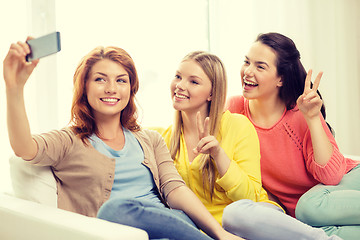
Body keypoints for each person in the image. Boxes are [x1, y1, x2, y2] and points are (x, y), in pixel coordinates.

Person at [3, 38, 243, 240]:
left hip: (171, 227)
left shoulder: (150, 139)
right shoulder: (69, 140)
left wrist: (219, 233)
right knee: (115, 209)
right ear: (84, 87)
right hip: (117, 228)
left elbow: (175, 190)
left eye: (121, 80)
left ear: (131, 88)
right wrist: (14, 88)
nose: (111, 88)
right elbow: (24, 148)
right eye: (100, 79)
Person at [158, 51, 342, 239]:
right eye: (178, 76)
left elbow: (249, 196)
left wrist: (219, 155)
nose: (179, 85)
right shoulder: (163, 139)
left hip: (251, 217)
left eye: (193, 81)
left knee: (235, 214)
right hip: (211, 231)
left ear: (212, 93)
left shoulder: (238, 125)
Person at [225, 32, 360, 239]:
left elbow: (333, 176)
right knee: (320, 231)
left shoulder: (300, 112)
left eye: (260, 66)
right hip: (310, 217)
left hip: (342, 187)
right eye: (246, 62)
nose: (248, 72)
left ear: (281, 79)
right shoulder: (233, 109)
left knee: (307, 208)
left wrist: (313, 118)